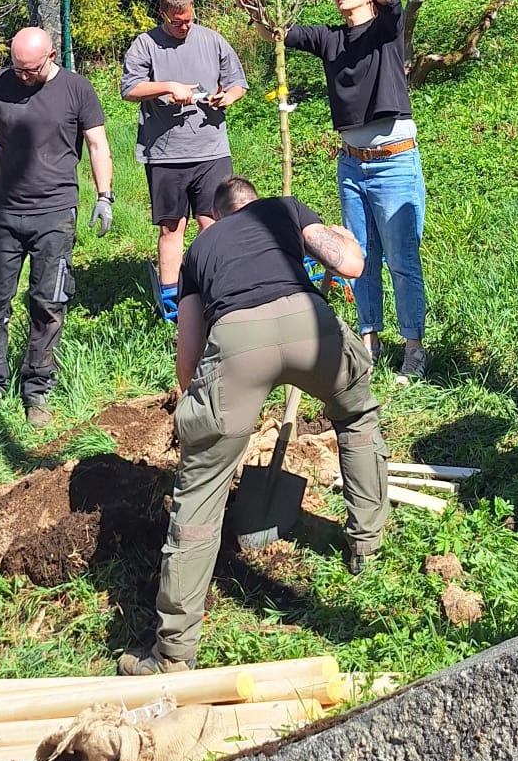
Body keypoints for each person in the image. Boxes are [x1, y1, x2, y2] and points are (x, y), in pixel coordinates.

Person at [120, 176, 390, 674]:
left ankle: (174, 651)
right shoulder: (283, 210)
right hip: (309, 323)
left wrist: (206, 409)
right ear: (254, 203)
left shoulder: (200, 250)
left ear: (217, 217)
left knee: (200, 486)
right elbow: (351, 263)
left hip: (236, 342)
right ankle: (366, 546)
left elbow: (187, 363)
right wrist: (334, 231)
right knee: (356, 415)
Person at [245, 0, 427, 381]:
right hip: (352, 165)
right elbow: (280, 34)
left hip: (394, 162)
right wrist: (259, 17)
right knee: (359, 256)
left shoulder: (387, 28)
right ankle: (368, 343)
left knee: (401, 260)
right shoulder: (330, 38)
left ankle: (414, 349)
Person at [0, 26, 114, 429]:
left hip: (55, 216)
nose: (22, 77)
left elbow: (97, 144)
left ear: (51, 56)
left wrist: (104, 195)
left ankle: (37, 390)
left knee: (49, 304)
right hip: (3, 215)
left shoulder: (78, 89)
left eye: (29, 70)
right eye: (17, 68)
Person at [120, 0, 247, 324]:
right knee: (172, 228)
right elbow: (130, 89)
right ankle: (172, 304)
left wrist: (230, 97)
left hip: (211, 150)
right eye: (177, 21)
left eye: (189, 19)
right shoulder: (145, 44)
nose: (184, 26)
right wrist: (168, 87)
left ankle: (217, 291)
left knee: (215, 222)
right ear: (163, 14)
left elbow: (237, 83)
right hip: (165, 154)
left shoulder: (212, 40)